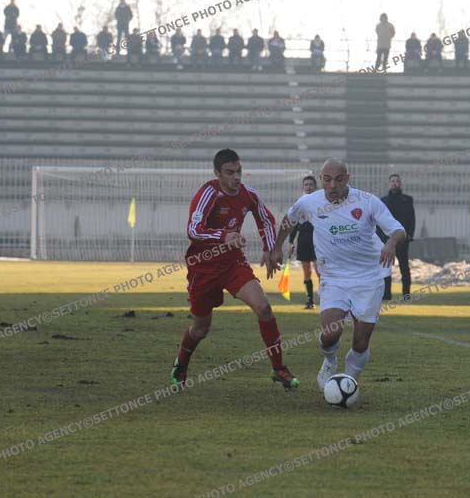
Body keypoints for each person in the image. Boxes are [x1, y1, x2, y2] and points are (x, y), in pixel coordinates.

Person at [268, 159, 406, 389]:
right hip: (333, 278)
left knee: (360, 342)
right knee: (330, 333)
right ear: (321, 179)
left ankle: (349, 383)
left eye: (339, 180)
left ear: (348, 179)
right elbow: (288, 221)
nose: (332, 185)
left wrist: (391, 243)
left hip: (369, 277)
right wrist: (276, 248)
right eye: (327, 179)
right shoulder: (309, 202)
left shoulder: (367, 201)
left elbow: (399, 230)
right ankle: (330, 361)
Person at [171, 149, 298, 390]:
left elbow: (265, 219)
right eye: (229, 172)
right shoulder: (208, 194)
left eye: (238, 171)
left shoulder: (248, 194)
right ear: (217, 173)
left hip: (232, 264)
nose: (236, 177)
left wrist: (270, 248)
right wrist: (224, 236)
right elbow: (193, 230)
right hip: (203, 267)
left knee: (264, 308)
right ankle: (182, 363)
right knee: (200, 328)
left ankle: (278, 368)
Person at [379, 174, 415, 301]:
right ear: (389, 183)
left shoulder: (407, 200)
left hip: (402, 239)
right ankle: (386, 294)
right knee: (386, 267)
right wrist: (381, 238)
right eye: (392, 181)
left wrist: (409, 235)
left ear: (400, 183)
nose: (395, 183)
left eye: (397, 181)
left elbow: (411, 219)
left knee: (404, 267)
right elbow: (380, 220)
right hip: (387, 239)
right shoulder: (383, 201)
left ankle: (406, 295)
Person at [288, 175, 319, 309]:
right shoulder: (300, 204)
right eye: (306, 185)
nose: (308, 187)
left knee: (320, 271)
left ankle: (326, 298)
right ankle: (310, 301)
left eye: (311, 185)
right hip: (303, 240)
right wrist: (291, 242)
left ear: (315, 187)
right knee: (307, 272)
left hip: (318, 239)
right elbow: (294, 224)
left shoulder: (320, 202)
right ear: (303, 187)